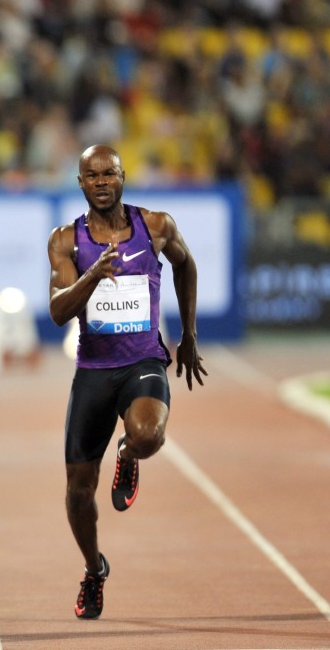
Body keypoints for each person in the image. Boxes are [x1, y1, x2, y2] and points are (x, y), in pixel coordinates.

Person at [47, 144, 206, 620]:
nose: (101, 182)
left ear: (122, 177)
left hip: (144, 362)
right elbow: (57, 312)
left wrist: (190, 334)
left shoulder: (155, 226)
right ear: (80, 183)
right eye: (91, 175)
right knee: (78, 492)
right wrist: (92, 276)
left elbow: (187, 265)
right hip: (94, 372)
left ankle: (128, 452)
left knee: (148, 435)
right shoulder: (65, 241)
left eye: (109, 174)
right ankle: (94, 570)